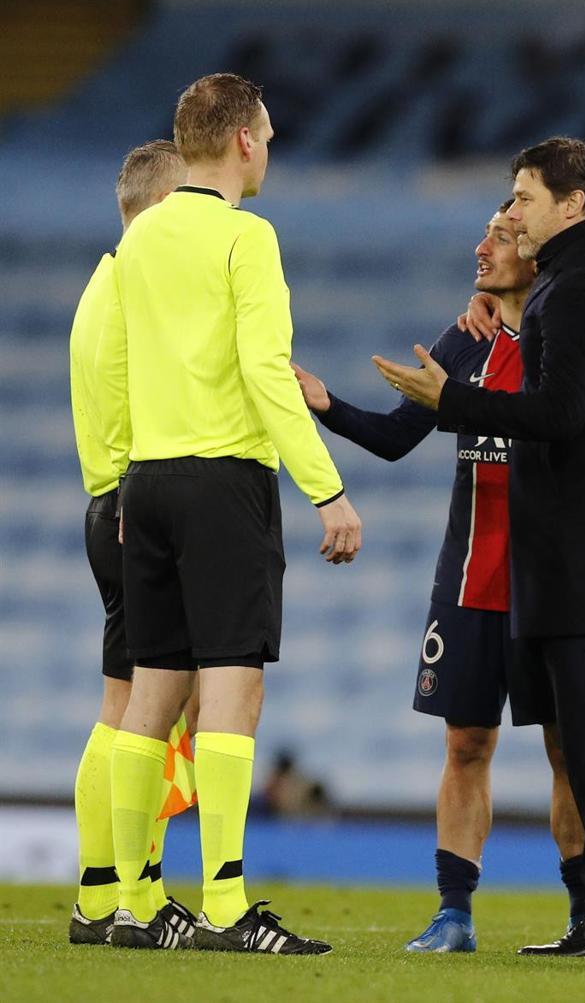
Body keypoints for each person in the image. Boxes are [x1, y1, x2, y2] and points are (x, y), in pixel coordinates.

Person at [372, 137, 585, 959]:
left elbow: (557, 413)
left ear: (572, 203)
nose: (510, 213)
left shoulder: (582, 285)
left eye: (521, 197)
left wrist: (455, 397)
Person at [93, 73, 362, 953]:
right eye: (270, 135)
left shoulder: (139, 241)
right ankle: (225, 901)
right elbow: (265, 370)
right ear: (243, 141)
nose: (272, 148)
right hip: (223, 483)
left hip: (149, 482)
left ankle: (133, 901)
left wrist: (126, 481)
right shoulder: (248, 238)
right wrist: (327, 488)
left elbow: (122, 370)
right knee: (231, 694)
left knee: (152, 693)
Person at [293, 201, 585, 953]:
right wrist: (327, 406)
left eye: (499, 234)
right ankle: (453, 913)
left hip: (552, 582)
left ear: (536, 248)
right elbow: (397, 436)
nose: (481, 246)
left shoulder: (570, 337)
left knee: (569, 749)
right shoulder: (468, 337)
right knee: (465, 744)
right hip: (470, 578)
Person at [68, 140, 197, 946]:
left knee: (126, 703)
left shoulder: (101, 285)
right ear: (159, 206)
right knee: (145, 707)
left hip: (109, 502)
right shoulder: (138, 292)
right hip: (131, 506)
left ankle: (101, 890)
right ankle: (129, 892)